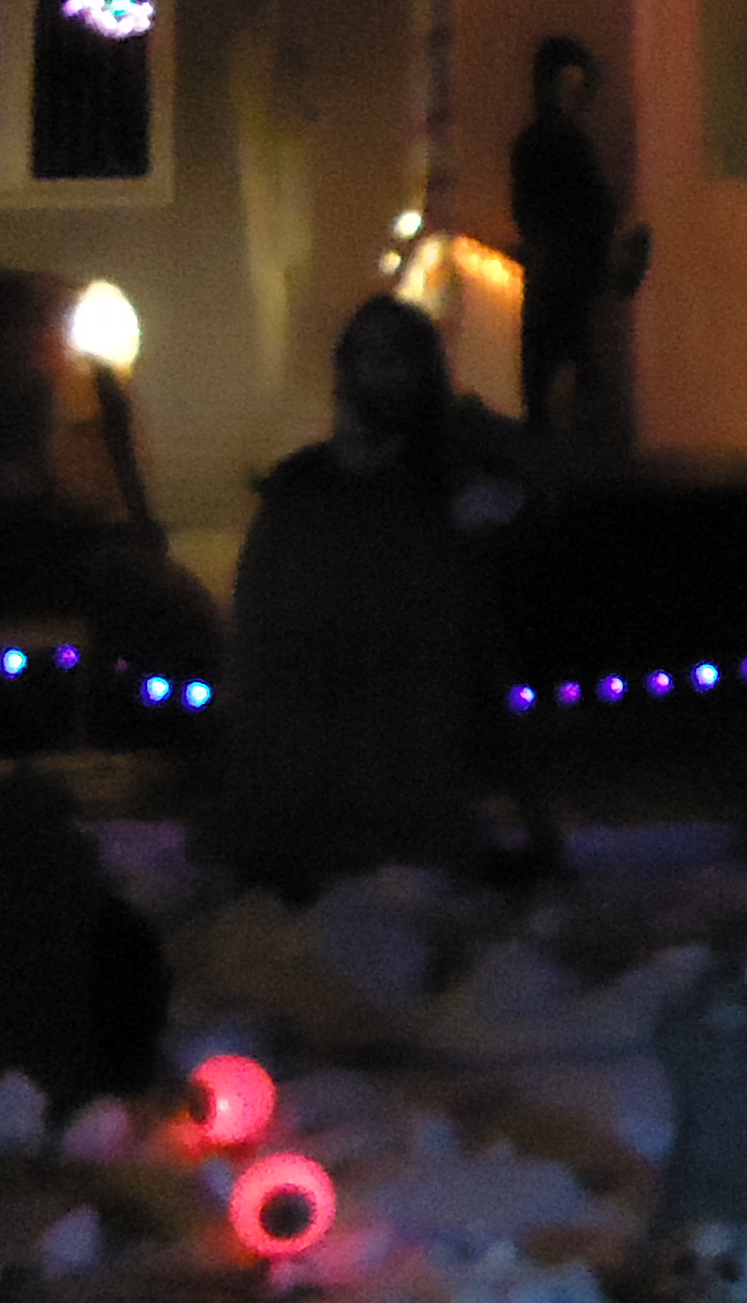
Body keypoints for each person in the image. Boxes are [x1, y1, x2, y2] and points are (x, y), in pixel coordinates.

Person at [203, 294, 561, 899]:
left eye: (401, 358)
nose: (387, 374)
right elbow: (270, 631)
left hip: (418, 699)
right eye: (372, 358)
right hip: (321, 700)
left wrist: (500, 490)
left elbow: (534, 483)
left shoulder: (456, 465)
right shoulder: (304, 491)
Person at [509, 35, 640, 431]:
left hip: (571, 280)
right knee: (552, 381)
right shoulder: (543, 146)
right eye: (566, 87)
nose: (573, 98)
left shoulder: (569, 145)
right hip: (559, 281)